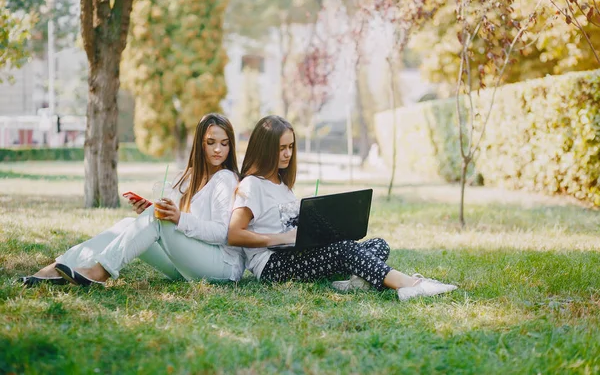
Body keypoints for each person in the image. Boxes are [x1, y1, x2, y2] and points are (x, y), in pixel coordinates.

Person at [227, 115, 457, 301]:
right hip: (272, 266)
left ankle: (357, 282)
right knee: (344, 250)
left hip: (295, 254)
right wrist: (279, 238)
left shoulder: (283, 185)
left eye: (290, 147)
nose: (287, 154)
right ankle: (409, 284)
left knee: (379, 244)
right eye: (281, 148)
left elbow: (288, 227)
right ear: (265, 149)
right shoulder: (252, 185)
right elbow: (235, 234)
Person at [21, 113, 244, 286]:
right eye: (211, 142)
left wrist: (177, 219)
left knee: (159, 218)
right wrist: (151, 211)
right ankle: (60, 266)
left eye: (224, 143)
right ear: (200, 144)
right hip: (190, 264)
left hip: (222, 267)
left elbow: (223, 233)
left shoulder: (225, 179)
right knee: (130, 223)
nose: (218, 149)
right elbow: (181, 220)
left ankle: (99, 272)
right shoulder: (191, 177)